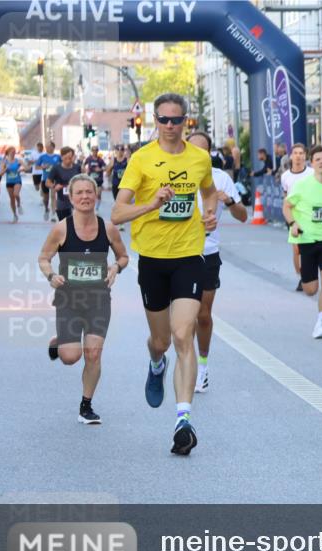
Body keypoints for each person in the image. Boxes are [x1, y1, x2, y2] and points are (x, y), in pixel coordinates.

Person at [111, 92, 219, 456]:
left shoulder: (199, 157)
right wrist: (152, 203)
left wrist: (210, 212)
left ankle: (183, 421)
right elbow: (117, 214)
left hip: (189, 254)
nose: (170, 126)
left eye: (177, 120)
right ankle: (156, 363)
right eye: (164, 120)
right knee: (161, 340)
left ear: (186, 121)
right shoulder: (141, 160)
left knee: (182, 332)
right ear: (154, 120)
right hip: (153, 259)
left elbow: (209, 192)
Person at [38, 174, 129, 424]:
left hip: (99, 300)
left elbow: (123, 256)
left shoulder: (107, 228)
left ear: (96, 195)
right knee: (70, 357)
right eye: (79, 193)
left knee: (93, 353)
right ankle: (60, 342)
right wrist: (51, 275)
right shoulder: (61, 229)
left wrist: (115, 268)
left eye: (89, 192)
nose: (85, 197)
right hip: (69, 300)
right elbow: (43, 258)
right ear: (71, 197)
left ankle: (86, 406)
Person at [186, 131, 248, 393]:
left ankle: (202, 366)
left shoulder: (221, 178)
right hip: (179, 253)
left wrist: (230, 201)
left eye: (203, 150)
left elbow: (243, 216)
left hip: (208, 252)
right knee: (182, 316)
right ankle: (184, 365)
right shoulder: (174, 175)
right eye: (193, 148)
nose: (198, 154)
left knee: (202, 314)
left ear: (209, 153)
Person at [284, 145, 322, 339]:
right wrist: (293, 222)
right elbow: (287, 206)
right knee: (311, 289)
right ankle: (309, 285)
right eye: (318, 159)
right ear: (312, 163)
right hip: (307, 239)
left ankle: (320, 323)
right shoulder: (302, 185)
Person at [280, 143, 314, 290]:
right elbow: (286, 196)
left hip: (309, 215)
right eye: (296, 153)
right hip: (293, 216)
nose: (298, 156)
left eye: (301, 153)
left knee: (310, 248)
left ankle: (310, 274)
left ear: (305, 156)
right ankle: (301, 277)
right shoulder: (285, 176)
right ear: (291, 156)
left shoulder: (312, 173)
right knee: (296, 249)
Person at [45, 147, 82, 221]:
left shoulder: (77, 167)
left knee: (77, 222)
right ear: (61, 157)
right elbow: (47, 182)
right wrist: (54, 186)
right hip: (62, 200)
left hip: (76, 199)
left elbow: (82, 180)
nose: (68, 160)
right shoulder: (56, 168)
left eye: (70, 158)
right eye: (66, 158)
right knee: (64, 223)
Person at [2, 147, 26, 223]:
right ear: (8, 152)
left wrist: (22, 169)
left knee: (16, 194)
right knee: (12, 199)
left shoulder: (18, 160)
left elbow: (27, 167)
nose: (13, 153)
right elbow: (0, 173)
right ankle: (15, 215)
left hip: (17, 181)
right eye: (12, 152)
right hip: (9, 182)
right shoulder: (4, 162)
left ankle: (19, 204)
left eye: (14, 152)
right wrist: (5, 169)